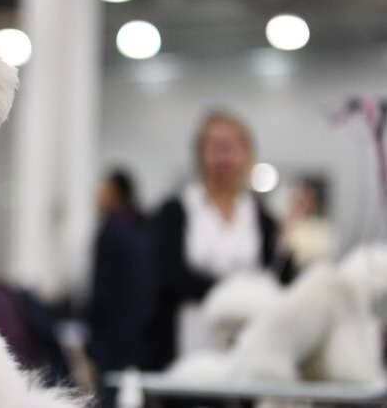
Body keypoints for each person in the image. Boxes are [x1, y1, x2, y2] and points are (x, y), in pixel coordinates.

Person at [150, 111, 294, 370]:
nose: (225, 156)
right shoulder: (176, 210)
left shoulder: (262, 218)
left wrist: (288, 242)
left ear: (247, 154)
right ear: (201, 154)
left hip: (248, 344)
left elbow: (277, 277)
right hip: (188, 342)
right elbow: (170, 275)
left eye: (234, 147)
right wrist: (239, 293)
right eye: (217, 147)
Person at [87, 170, 154, 406]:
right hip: (140, 332)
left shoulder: (112, 231)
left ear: (116, 193)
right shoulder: (141, 227)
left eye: (102, 189)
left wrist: (93, 336)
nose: (97, 196)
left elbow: (102, 289)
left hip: (112, 335)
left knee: (110, 396)